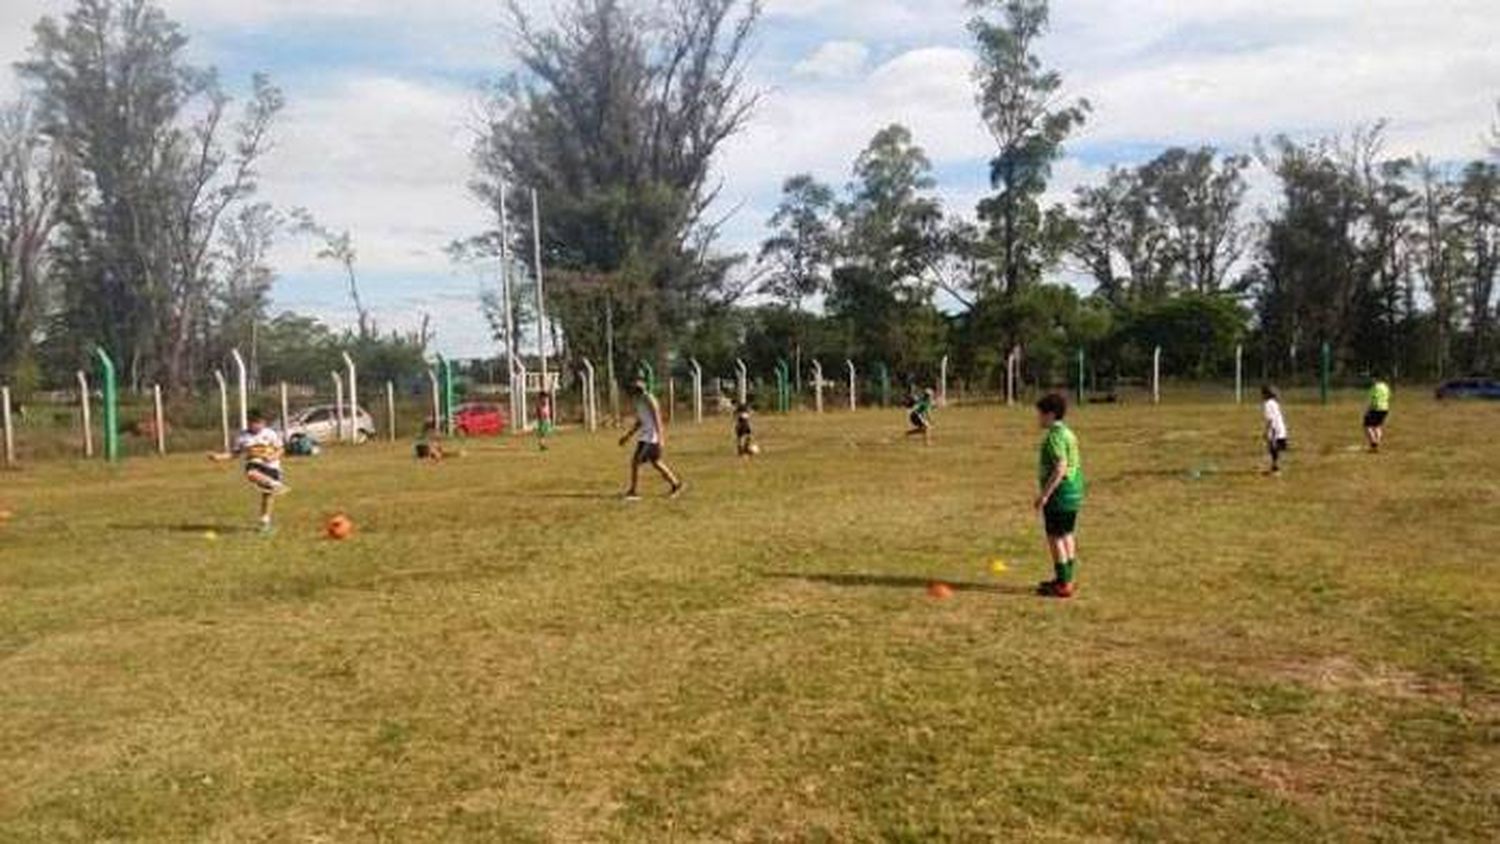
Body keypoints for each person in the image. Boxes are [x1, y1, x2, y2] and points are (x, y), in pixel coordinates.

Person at [1033, 393, 1085, 599]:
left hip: (1059, 495)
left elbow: (1060, 467)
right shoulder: (1069, 434)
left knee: (1055, 537)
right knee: (1067, 535)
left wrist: (1045, 495)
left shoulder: (1054, 437)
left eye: (1041, 415)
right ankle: (1067, 578)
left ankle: (1063, 584)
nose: (1038, 419)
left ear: (1051, 414)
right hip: (1074, 492)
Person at [208, 408, 288, 533]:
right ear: (248, 422)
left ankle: (265, 522)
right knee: (251, 473)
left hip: (272, 466)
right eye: (252, 423)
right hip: (255, 463)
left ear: (263, 422)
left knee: (267, 495)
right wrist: (219, 457)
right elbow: (234, 454)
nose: (255, 426)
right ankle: (275, 484)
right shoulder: (242, 437)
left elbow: (281, 449)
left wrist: (272, 456)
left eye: (258, 423)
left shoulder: (270, 434)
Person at [619, 378, 684, 500]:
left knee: (636, 462)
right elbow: (640, 421)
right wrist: (627, 436)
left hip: (651, 438)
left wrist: (661, 438)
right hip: (645, 436)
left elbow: (658, 419)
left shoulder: (649, 399)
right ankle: (676, 484)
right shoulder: (638, 401)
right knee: (656, 462)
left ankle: (633, 491)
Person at [1262, 385, 1289, 475]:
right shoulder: (1274, 402)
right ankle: (1275, 467)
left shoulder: (1268, 404)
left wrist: (1266, 431)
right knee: (1276, 448)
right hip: (1281, 428)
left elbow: (1270, 419)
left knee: (1273, 448)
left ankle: (1276, 469)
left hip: (1274, 429)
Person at [1364, 376, 1391, 452]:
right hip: (1385, 409)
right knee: (1377, 426)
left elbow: (1373, 399)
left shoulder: (1375, 387)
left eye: (1372, 378)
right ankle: (1377, 443)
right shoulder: (1386, 387)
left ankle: (1373, 443)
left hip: (1375, 408)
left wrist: (1368, 409)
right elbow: (1388, 397)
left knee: (1367, 426)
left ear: (1375, 379)